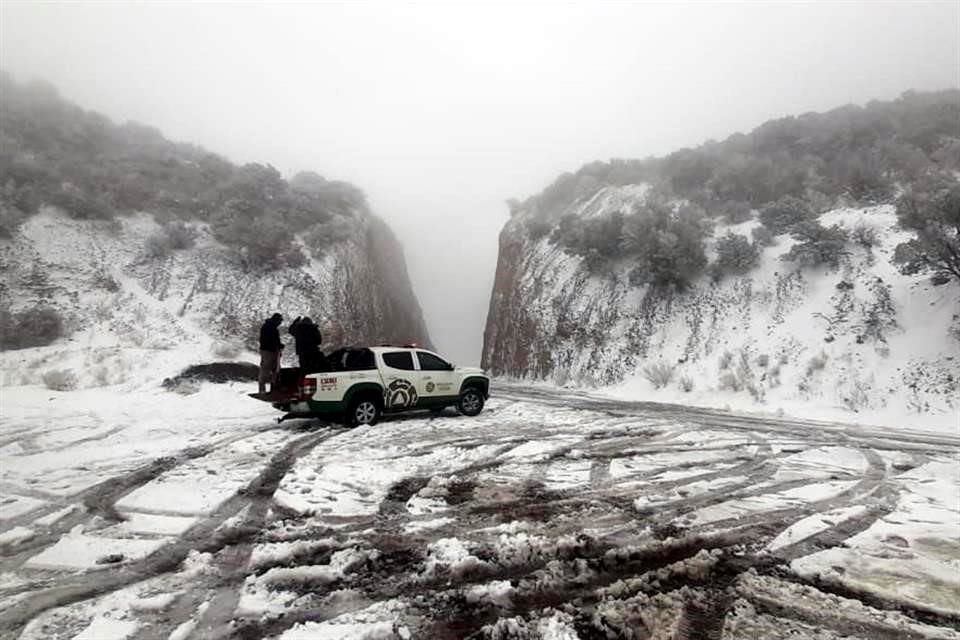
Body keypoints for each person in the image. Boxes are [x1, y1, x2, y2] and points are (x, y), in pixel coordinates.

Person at [258, 313, 284, 393]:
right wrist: (278, 346)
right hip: (268, 351)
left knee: (272, 370)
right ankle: (263, 389)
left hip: (270, 350)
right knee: (267, 369)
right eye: (280, 321)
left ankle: (269, 389)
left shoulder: (269, 326)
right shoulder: (270, 327)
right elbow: (271, 340)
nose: (280, 323)